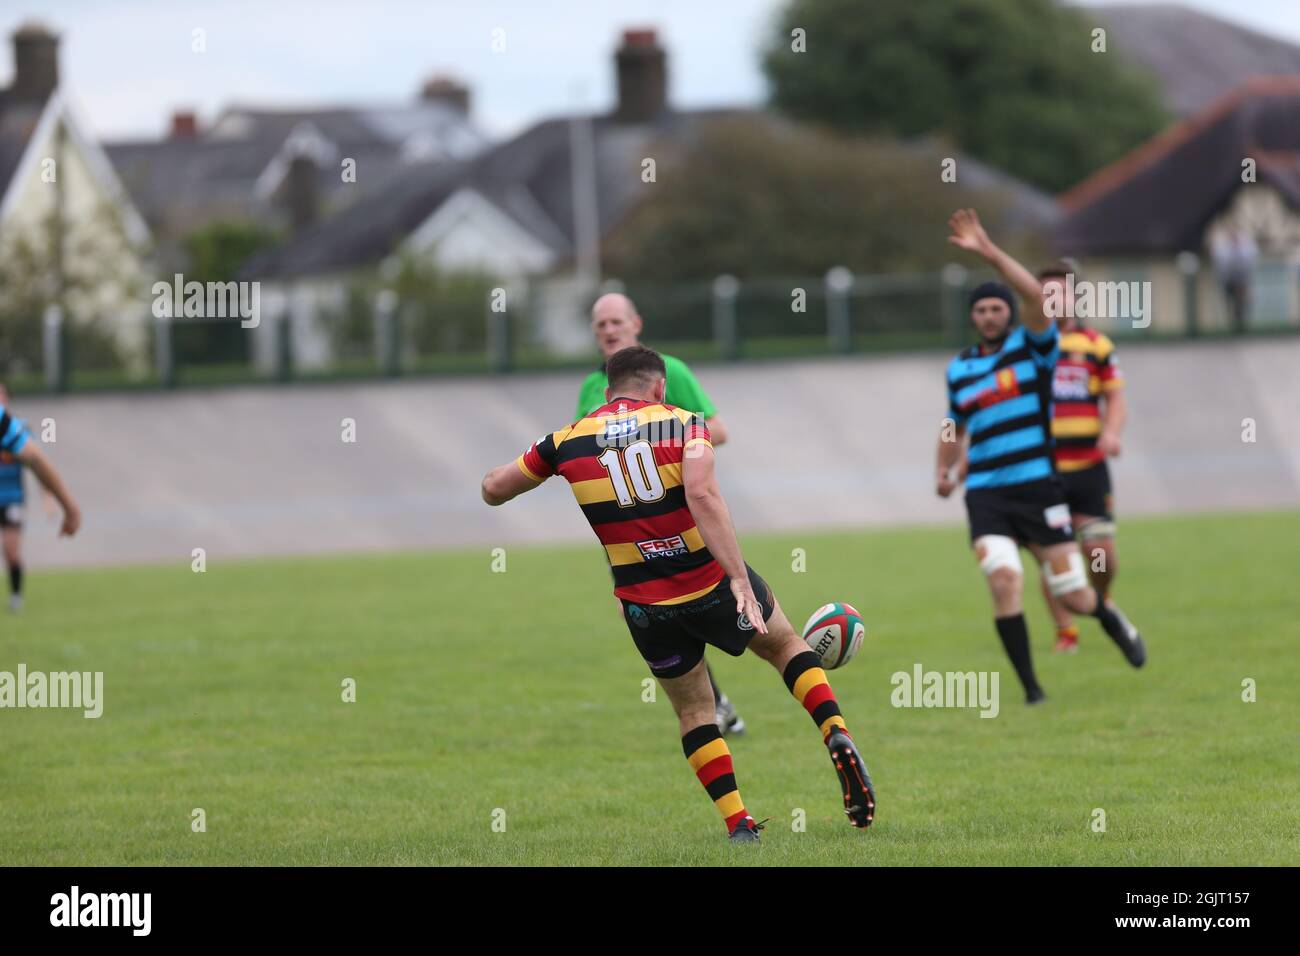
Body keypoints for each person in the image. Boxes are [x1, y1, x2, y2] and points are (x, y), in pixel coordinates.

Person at [482, 345, 874, 841]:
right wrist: (737, 577)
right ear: (659, 387)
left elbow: (496, 488)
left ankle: (739, 824)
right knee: (783, 646)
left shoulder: (565, 441)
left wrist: (490, 482)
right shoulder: (685, 423)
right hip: (709, 581)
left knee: (694, 711)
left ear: (606, 392)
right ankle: (834, 730)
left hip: (645, 607)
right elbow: (703, 494)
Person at [935, 209, 1146, 704]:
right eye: (980, 309)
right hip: (986, 493)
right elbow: (951, 423)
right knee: (1004, 579)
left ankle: (1109, 616)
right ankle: (1032, 690)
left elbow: (1036, 295)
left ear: (1010, 313)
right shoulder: (959, 369)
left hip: (1037, 487)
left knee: (1074, 594)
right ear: (972, 316)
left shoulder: (1035, 349)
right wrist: (943, 470)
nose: (989, 316)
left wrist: (988, 250)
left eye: (997, 308)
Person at [578, 293, 745, 737]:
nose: (609, 330)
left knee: (706, 607)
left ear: (636, 323)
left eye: (616, 321)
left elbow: (719, 428)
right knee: (661, 620)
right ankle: (718, 706)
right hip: (625, 530)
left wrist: (667, 440)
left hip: (681, 519)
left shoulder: (667, 372)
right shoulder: (591, 389)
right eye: (600, 325)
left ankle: (720, 707)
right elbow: (578, 451)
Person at [1036, 264, 1128, 653]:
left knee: (1099, 554)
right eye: (1046, 294)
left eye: (1061, 293)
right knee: (1053, 555)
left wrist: (1111, 432)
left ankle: (1102, 601)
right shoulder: (1027, 348)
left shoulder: (1096, 345)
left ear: (1075, 299)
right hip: (1043, 471)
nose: (1054, 301)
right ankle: (1066, 631)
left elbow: (1116, 397)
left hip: (1089, 468)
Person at [0, 390, 81, 609]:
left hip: (11, 499)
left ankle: (16, 596)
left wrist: (52, 500)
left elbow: (35, 460)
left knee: (11, 551)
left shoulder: (11, 426)